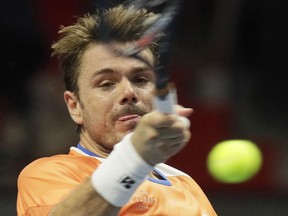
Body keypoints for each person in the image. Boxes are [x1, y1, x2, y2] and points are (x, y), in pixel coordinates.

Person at [17, 5, 217, 216]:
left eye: (141, 79)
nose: (128, 92)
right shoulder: (48, 175)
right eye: (106, 83)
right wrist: (136, 158)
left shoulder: (187, 186)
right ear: (75, 107)